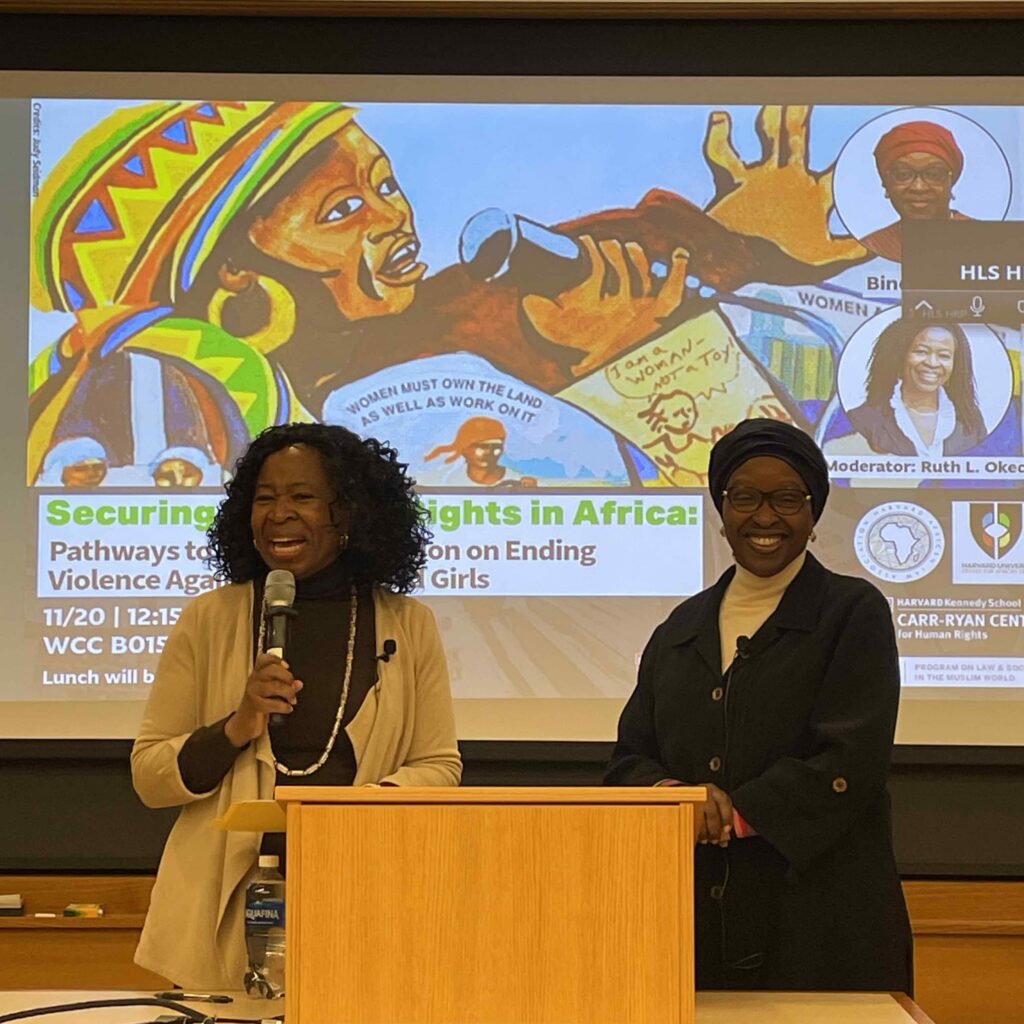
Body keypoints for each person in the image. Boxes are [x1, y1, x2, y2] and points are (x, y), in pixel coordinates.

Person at [131, 422, 461, 989]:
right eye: (265, 497)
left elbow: (440, 766)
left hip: (366, 891)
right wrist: (237, 726)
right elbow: (150, 775)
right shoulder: (210, 620)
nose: (279, 513)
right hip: (229, 904)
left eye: (302, 497)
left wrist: (361, 811)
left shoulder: (408, 624)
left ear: (350, 515)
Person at [605, 418, 912, 993]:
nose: (764, 517)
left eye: (787, 499)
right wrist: (678, 800)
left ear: (813, 514)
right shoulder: (680, 627)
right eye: (744, 497)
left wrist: (733, 814)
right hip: (693, 928)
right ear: (722, 513)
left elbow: (850, 756)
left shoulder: (851, 611)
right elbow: (629, 761)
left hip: (820, 929)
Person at [845, 318, 986, 457]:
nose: (932, 363)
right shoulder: (864, 419)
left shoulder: (971, 423)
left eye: (944, 355)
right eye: (921, 352)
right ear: (899, 357)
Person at [861, 120, 970, 262]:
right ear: (886, 183)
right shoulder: (869, 249)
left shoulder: (987, 240)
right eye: (903, 175)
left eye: (933, 174)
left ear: (951, 181)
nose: (918, 187)